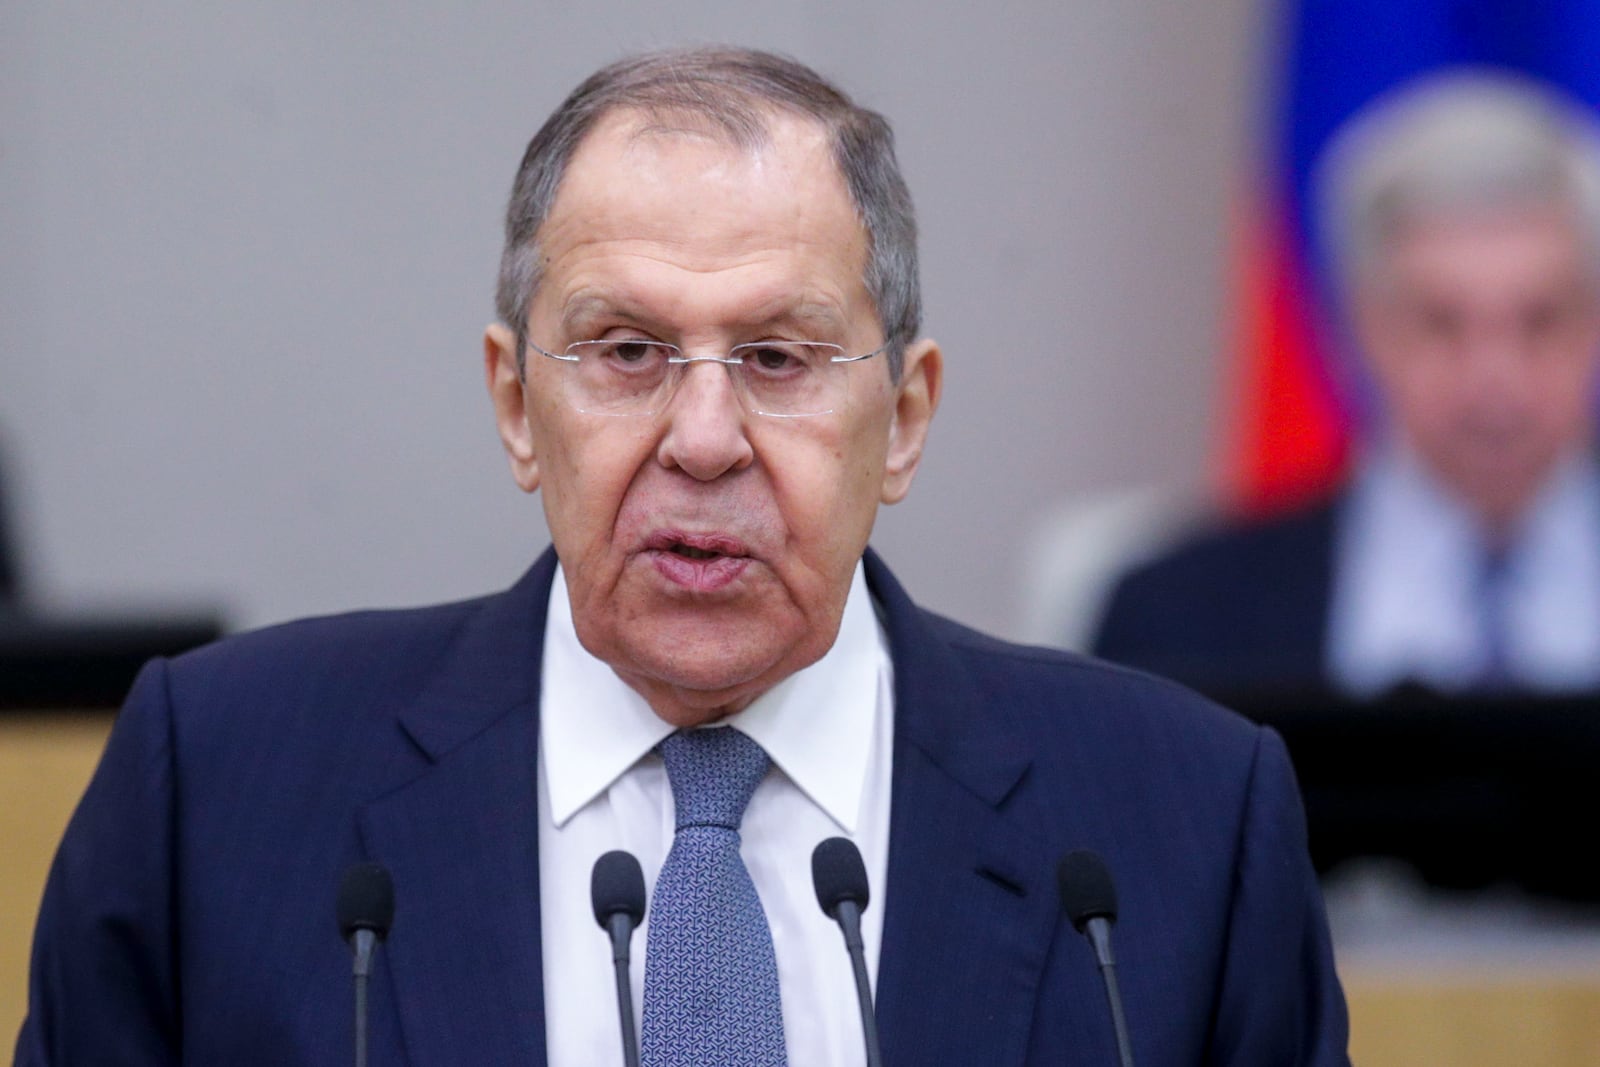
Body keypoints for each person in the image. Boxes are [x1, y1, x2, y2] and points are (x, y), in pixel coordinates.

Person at [17, 47, 1348, 1065]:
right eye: (626, 351)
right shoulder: (219, 789)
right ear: (512, 403)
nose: (702, 439)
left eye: (777, 355)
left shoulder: (1178, 827)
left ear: (907, 418)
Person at [1095, 71, 1600, 699]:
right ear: (1360, 331)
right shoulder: (1176, 618)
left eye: (1541, 321)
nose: (1493, 377)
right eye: (1441, 324)